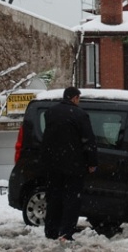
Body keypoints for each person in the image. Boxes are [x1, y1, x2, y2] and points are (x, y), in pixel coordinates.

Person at [41, 87, 98, 242]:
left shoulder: (50, 112)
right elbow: (89, 140)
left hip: (53, 164)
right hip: (74, 164)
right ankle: (66, 232)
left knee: (54, 197)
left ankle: (51, 230)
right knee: (72, 199)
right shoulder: (80, 115)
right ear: (74, 98)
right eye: (78, 98)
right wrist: (92, 162)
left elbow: (48, 137)